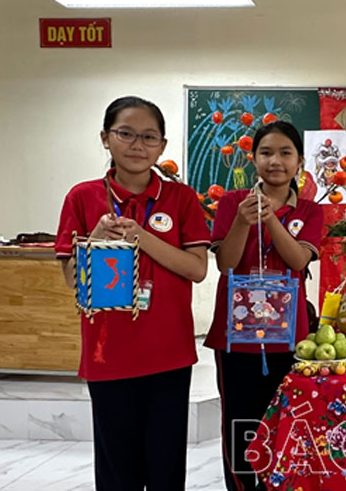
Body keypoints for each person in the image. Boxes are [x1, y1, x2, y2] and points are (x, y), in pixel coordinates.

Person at [55, 96, 211, 490]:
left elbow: (196, 269)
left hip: (169, 350)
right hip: (108, 351)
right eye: (126, 134)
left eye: (149, 137)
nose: (137, 145)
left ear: (162, 145)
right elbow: (73, 279)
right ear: (105, 138)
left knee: (165, 464)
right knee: (116, 468)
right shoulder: (82, 197)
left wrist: (141, 237)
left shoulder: (181, 198)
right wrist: (96, 239)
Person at [205, 120, 324, 491]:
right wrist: (243, 221)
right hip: (237, 335)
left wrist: (271, 218)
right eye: (266, 152)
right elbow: (226, 264)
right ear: (253, 159)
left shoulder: (311, 211)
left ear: (299, 161)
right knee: (240, 422)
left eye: (285, 153)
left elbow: (298, 260)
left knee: (288, 421)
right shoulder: (231, 203)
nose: (275, 161)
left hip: (289, 336)